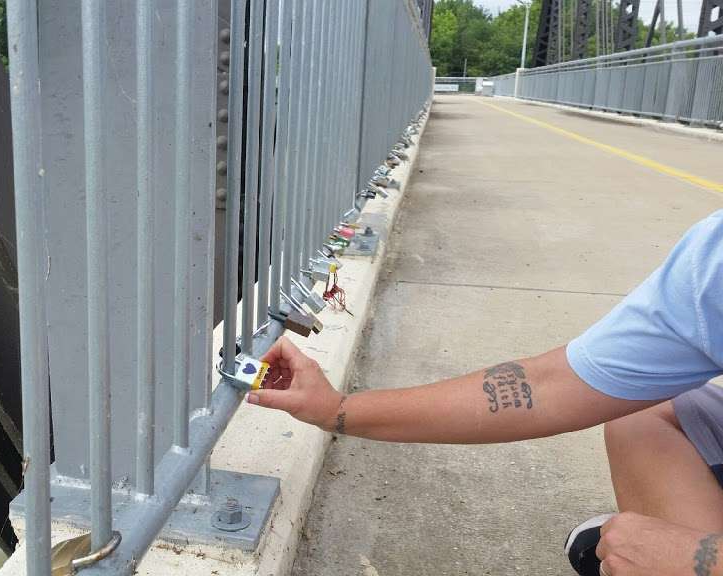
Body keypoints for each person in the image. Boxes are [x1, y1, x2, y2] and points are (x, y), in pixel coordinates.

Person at [247, 211, 723, 576]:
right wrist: (338, 410)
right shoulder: (714, 263)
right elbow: (546, 387)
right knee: (650, 411)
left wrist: (702, 560)